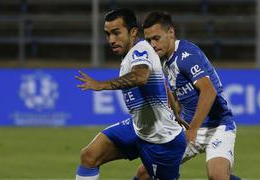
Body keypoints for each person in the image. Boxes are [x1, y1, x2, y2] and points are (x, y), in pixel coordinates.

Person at [74, 9, 186, 180]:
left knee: (145, 175)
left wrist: (102, 85)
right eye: (107, 34)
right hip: (138, 128)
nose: (111, 40)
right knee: (90, 155)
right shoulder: (131, 55)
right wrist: (176, 112)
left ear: (133, 32)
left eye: (116, 33)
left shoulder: (140, 50)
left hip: (162, 141)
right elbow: (162, 80)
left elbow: (141, 76)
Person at [135, 11, 241, 180]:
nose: (152, 44)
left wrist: (193, 128)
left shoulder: (186, 56)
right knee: (145, 172)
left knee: (217, 176)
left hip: (217, 126)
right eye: (148, 40)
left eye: (156, 38)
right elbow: (177, 96)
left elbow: (209, 91)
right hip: (188, 127)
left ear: (171, 32)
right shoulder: (161, 61)